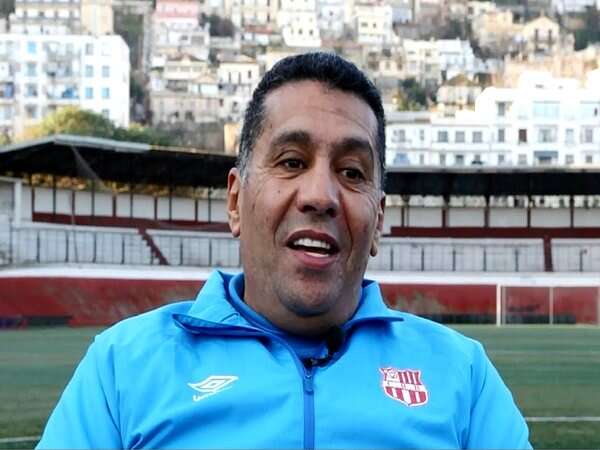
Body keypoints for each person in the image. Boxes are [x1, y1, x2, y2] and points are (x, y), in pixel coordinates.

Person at [37, 52, 531, 449]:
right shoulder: (121, 367)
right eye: (292, 162)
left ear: (379, 220)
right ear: (235, 201)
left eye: (352, 172)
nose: (320, 196)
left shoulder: (463, 377)